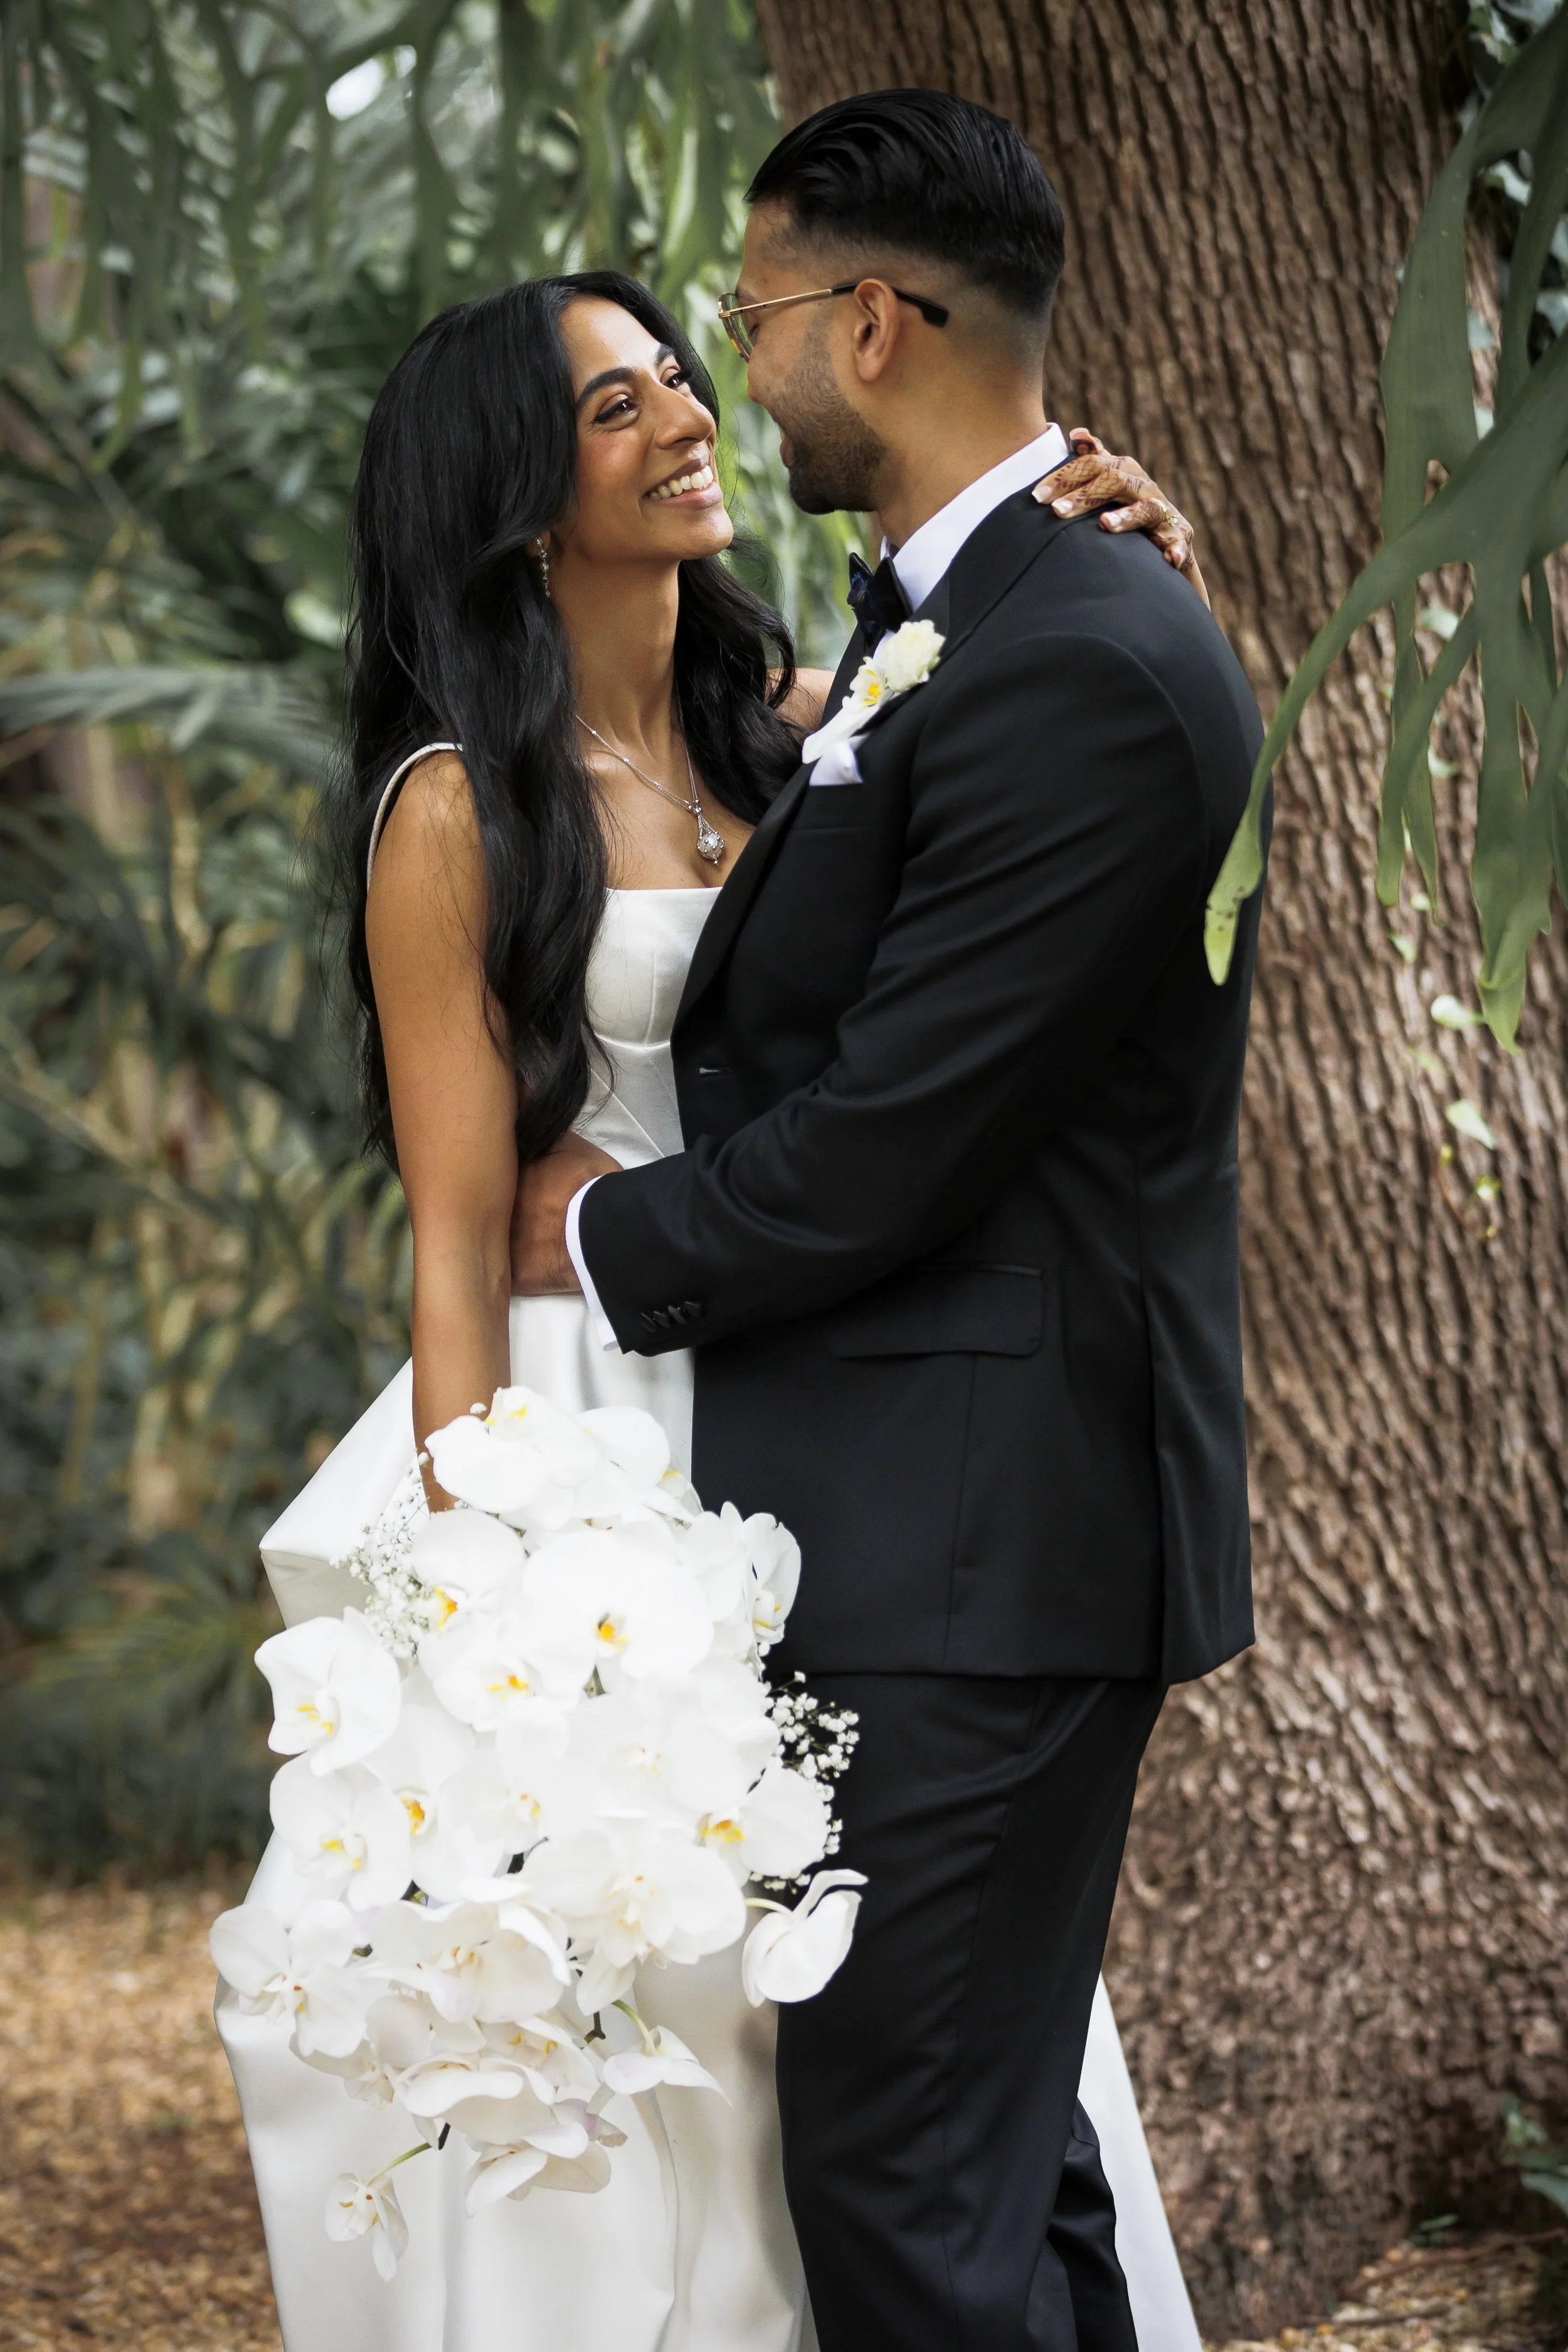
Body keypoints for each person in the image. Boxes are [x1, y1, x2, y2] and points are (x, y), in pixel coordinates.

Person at [216, 248, 1217, 2352]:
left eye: (685, 368)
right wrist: (485, 1612)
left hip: (841, 1426)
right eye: (616, 403)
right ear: (512, 494)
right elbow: (458, 1231)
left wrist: (1106, 553)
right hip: (589, 1457)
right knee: (664, 2018)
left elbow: (1024, 832)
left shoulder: (811, 730)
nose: (688, 413)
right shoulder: (449, 817)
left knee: (902, 2022)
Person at [509, 90, 1269, 2352]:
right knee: (991, 2177)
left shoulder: (1083, 659)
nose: (733, 375)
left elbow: (895, 1134)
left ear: (868, 318)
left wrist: (592, 1241)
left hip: (979, 1549)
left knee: (906, 2208)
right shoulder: (962, 624)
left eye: (737, 322)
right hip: (896, 1528)